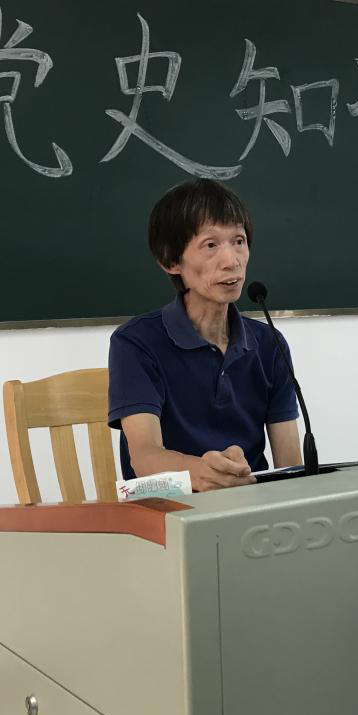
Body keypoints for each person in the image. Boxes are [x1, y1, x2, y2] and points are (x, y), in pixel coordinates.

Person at [108, 179, 302, 490]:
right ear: (171, 261)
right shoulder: (136, 342)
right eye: (211, 245)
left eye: (238, 241)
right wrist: (203, 472)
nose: (232, 261)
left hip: (249, 504)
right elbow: (144, 457)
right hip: (170, 507)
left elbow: (290, 465)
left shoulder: (270, 344)